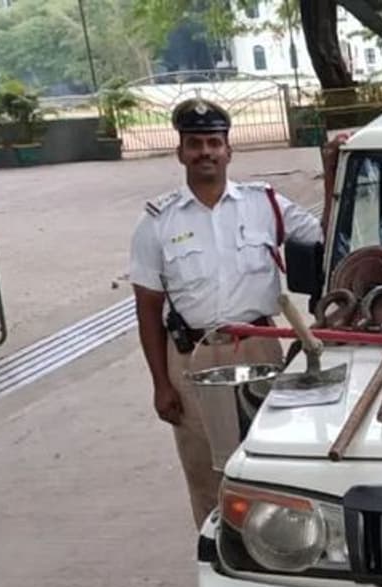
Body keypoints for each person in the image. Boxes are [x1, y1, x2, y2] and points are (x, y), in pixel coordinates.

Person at [128, 98, 340, 530]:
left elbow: (331, 233)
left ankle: (274, 544)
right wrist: (160, 383)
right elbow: (147, 309)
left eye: (213, 142)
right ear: (180, 152)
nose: (204, 151)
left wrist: (335, 171)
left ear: (229, 150)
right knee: (205, 466)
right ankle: (218, 553)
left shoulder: (265, 204)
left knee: (271, 458)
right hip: (193, 356)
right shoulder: (157, 222)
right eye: (194, 143)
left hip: (259, 346)